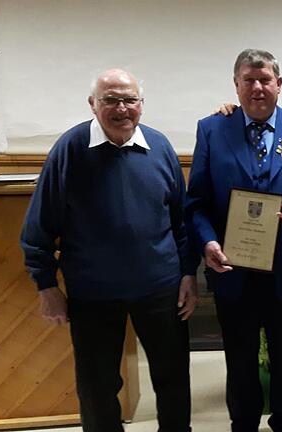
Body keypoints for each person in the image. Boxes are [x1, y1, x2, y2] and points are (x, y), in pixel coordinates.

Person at [20, 68, 197, 432]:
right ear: (92, 105)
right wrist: (46, 287)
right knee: (98, 387)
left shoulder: (160, 147)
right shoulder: (70, 150)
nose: (121, 108)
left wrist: (188, 274)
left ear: (141, 105)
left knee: (173, 380)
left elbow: (181, 223)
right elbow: (38, 228)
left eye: (129, 99)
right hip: (93, 293)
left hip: (161, 288)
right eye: (110, 100)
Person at [184, 49, 282, 432]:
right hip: (232, 268)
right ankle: (244, 423)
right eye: (248, 80)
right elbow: (196, 202)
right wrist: (206, 242)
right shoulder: (211, 129)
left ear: (279, 85)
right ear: (236, 85)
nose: (257, 87)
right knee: (239, 357)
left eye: (265, 79)